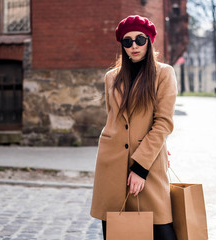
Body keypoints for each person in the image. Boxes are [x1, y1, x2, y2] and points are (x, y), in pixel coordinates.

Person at [90, 15, 178, 240]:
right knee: (118, 232)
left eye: (140, 39)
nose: (134, 46)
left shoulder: (164, 73)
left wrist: (140, 167)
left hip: (146, 164)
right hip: (112, 165)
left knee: (161, 229)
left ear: (149, 40)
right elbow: (113, 119)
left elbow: (163, 122)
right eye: (127, 42)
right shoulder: (112, 77)